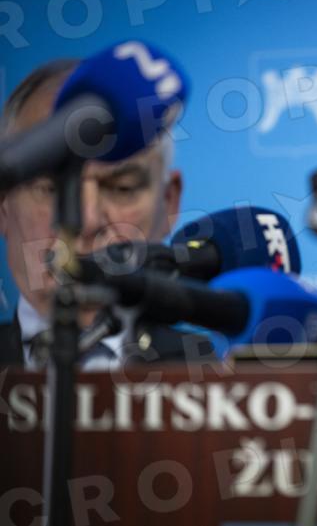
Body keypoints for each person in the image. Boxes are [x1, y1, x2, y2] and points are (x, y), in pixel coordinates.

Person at [0, 58, 211, 368]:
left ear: (168, 204)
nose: (87, 221)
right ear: (4, 205)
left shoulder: (222, 375)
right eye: (52, 188)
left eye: (122, 188)